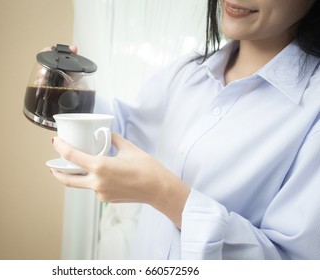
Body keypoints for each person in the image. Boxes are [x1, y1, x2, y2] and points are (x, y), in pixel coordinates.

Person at [50, 0, 320, 259]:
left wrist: (165, 195)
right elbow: (120, 132)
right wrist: (70, 91)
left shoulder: (313, 110)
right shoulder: (188, 72)